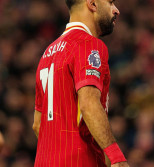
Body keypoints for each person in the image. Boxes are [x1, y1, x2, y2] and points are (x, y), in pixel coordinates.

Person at [32, 0, 129, 166]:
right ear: (92, 4)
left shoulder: (47, 54)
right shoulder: (88, 44)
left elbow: (37, 124)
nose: (116, 10)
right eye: (111, 2)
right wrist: (117, 158)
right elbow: (89, 104)